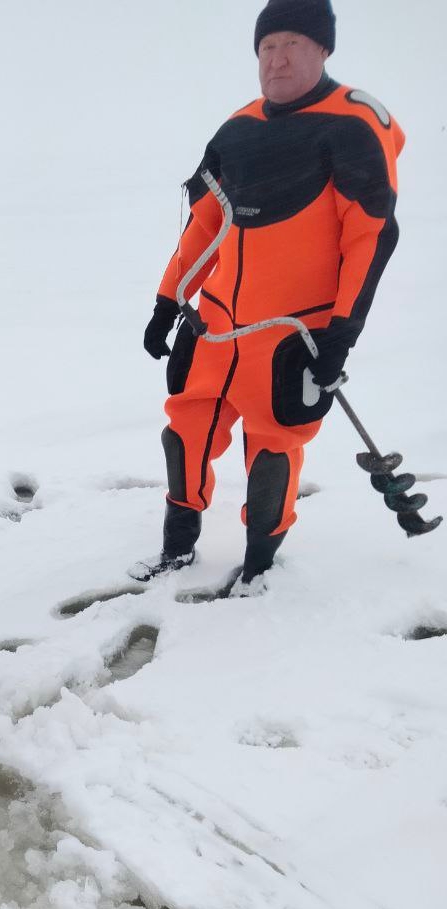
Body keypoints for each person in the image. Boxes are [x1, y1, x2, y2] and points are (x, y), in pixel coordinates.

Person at [133, 0, 403, 590]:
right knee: (184, 435)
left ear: (323, 49)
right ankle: (177, 547)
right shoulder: (238, 130)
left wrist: (341, 333)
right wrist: (168, 301)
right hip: (215, 327)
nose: (276, 61)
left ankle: (258, 566)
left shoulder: (352, 126)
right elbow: (204, 227)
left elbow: (370, 238)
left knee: (272, 451)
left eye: (292, 45)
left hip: (289, 335)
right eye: (266, 47)